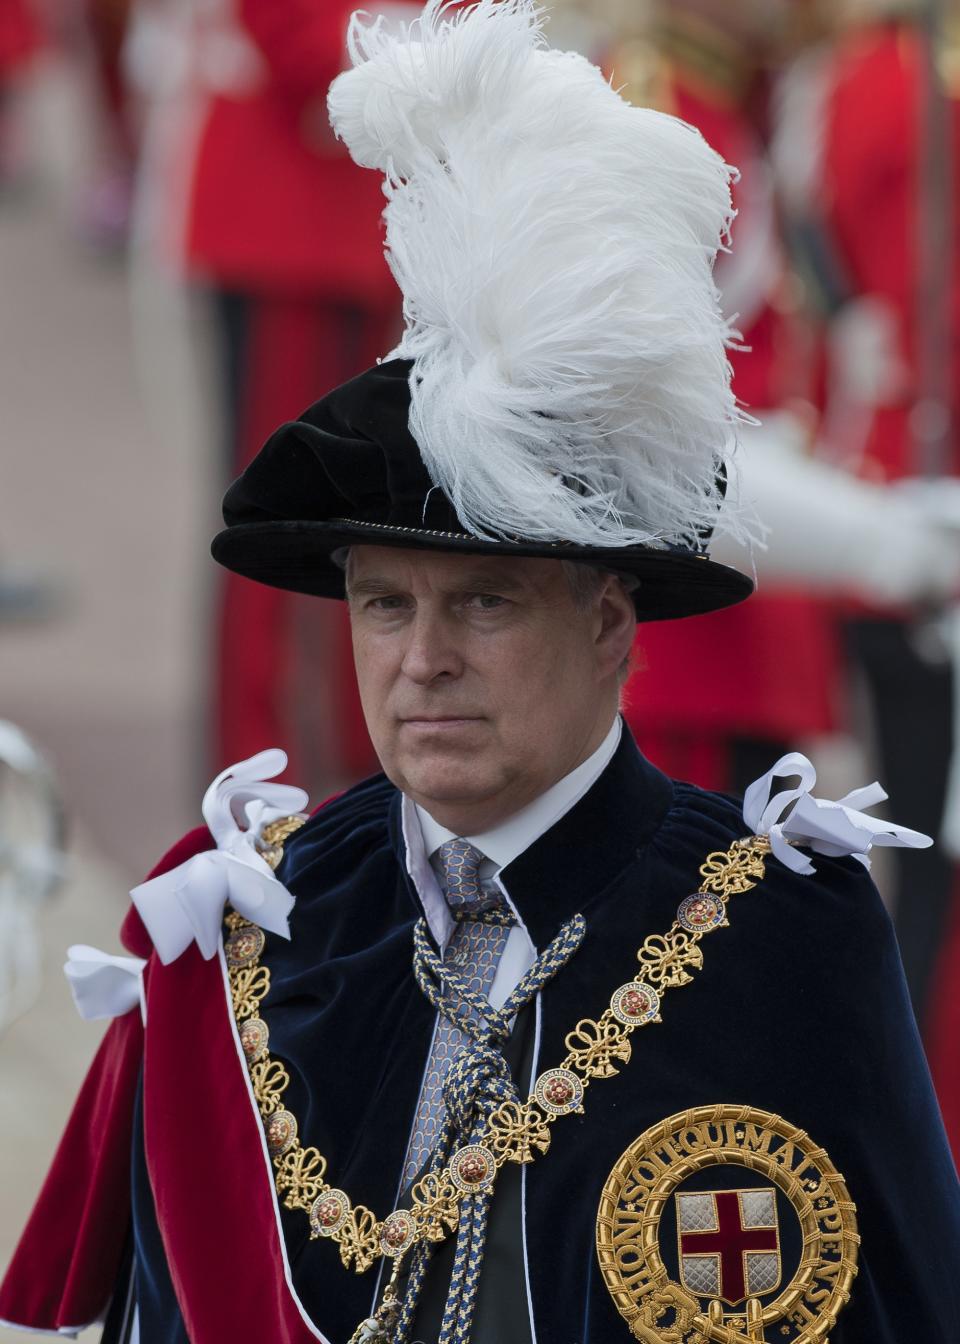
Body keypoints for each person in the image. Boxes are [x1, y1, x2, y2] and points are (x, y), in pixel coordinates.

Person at [2, 4, 958, 1342]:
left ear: (612, 623)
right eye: (382, 605)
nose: (423, 662)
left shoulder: (776, 932)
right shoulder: (258, 923)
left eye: (486, 604)